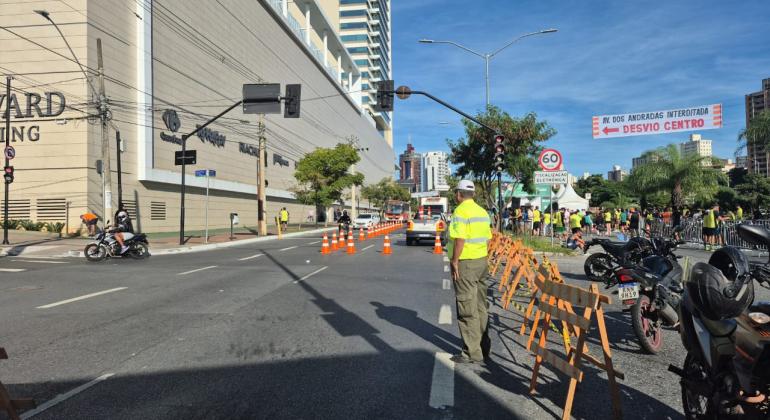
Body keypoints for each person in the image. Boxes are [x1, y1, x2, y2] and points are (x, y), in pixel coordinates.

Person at [447, 180, 493, 364]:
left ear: (458, 194)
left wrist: (454, 261)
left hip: (466, 263)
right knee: (481, 305)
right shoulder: (482, 212)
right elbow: (488, 238)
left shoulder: (460, 212)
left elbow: (460, 238)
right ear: (473, 194)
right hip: (481, 261)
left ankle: (471, 353)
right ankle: (483, 347)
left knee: (467, 307)